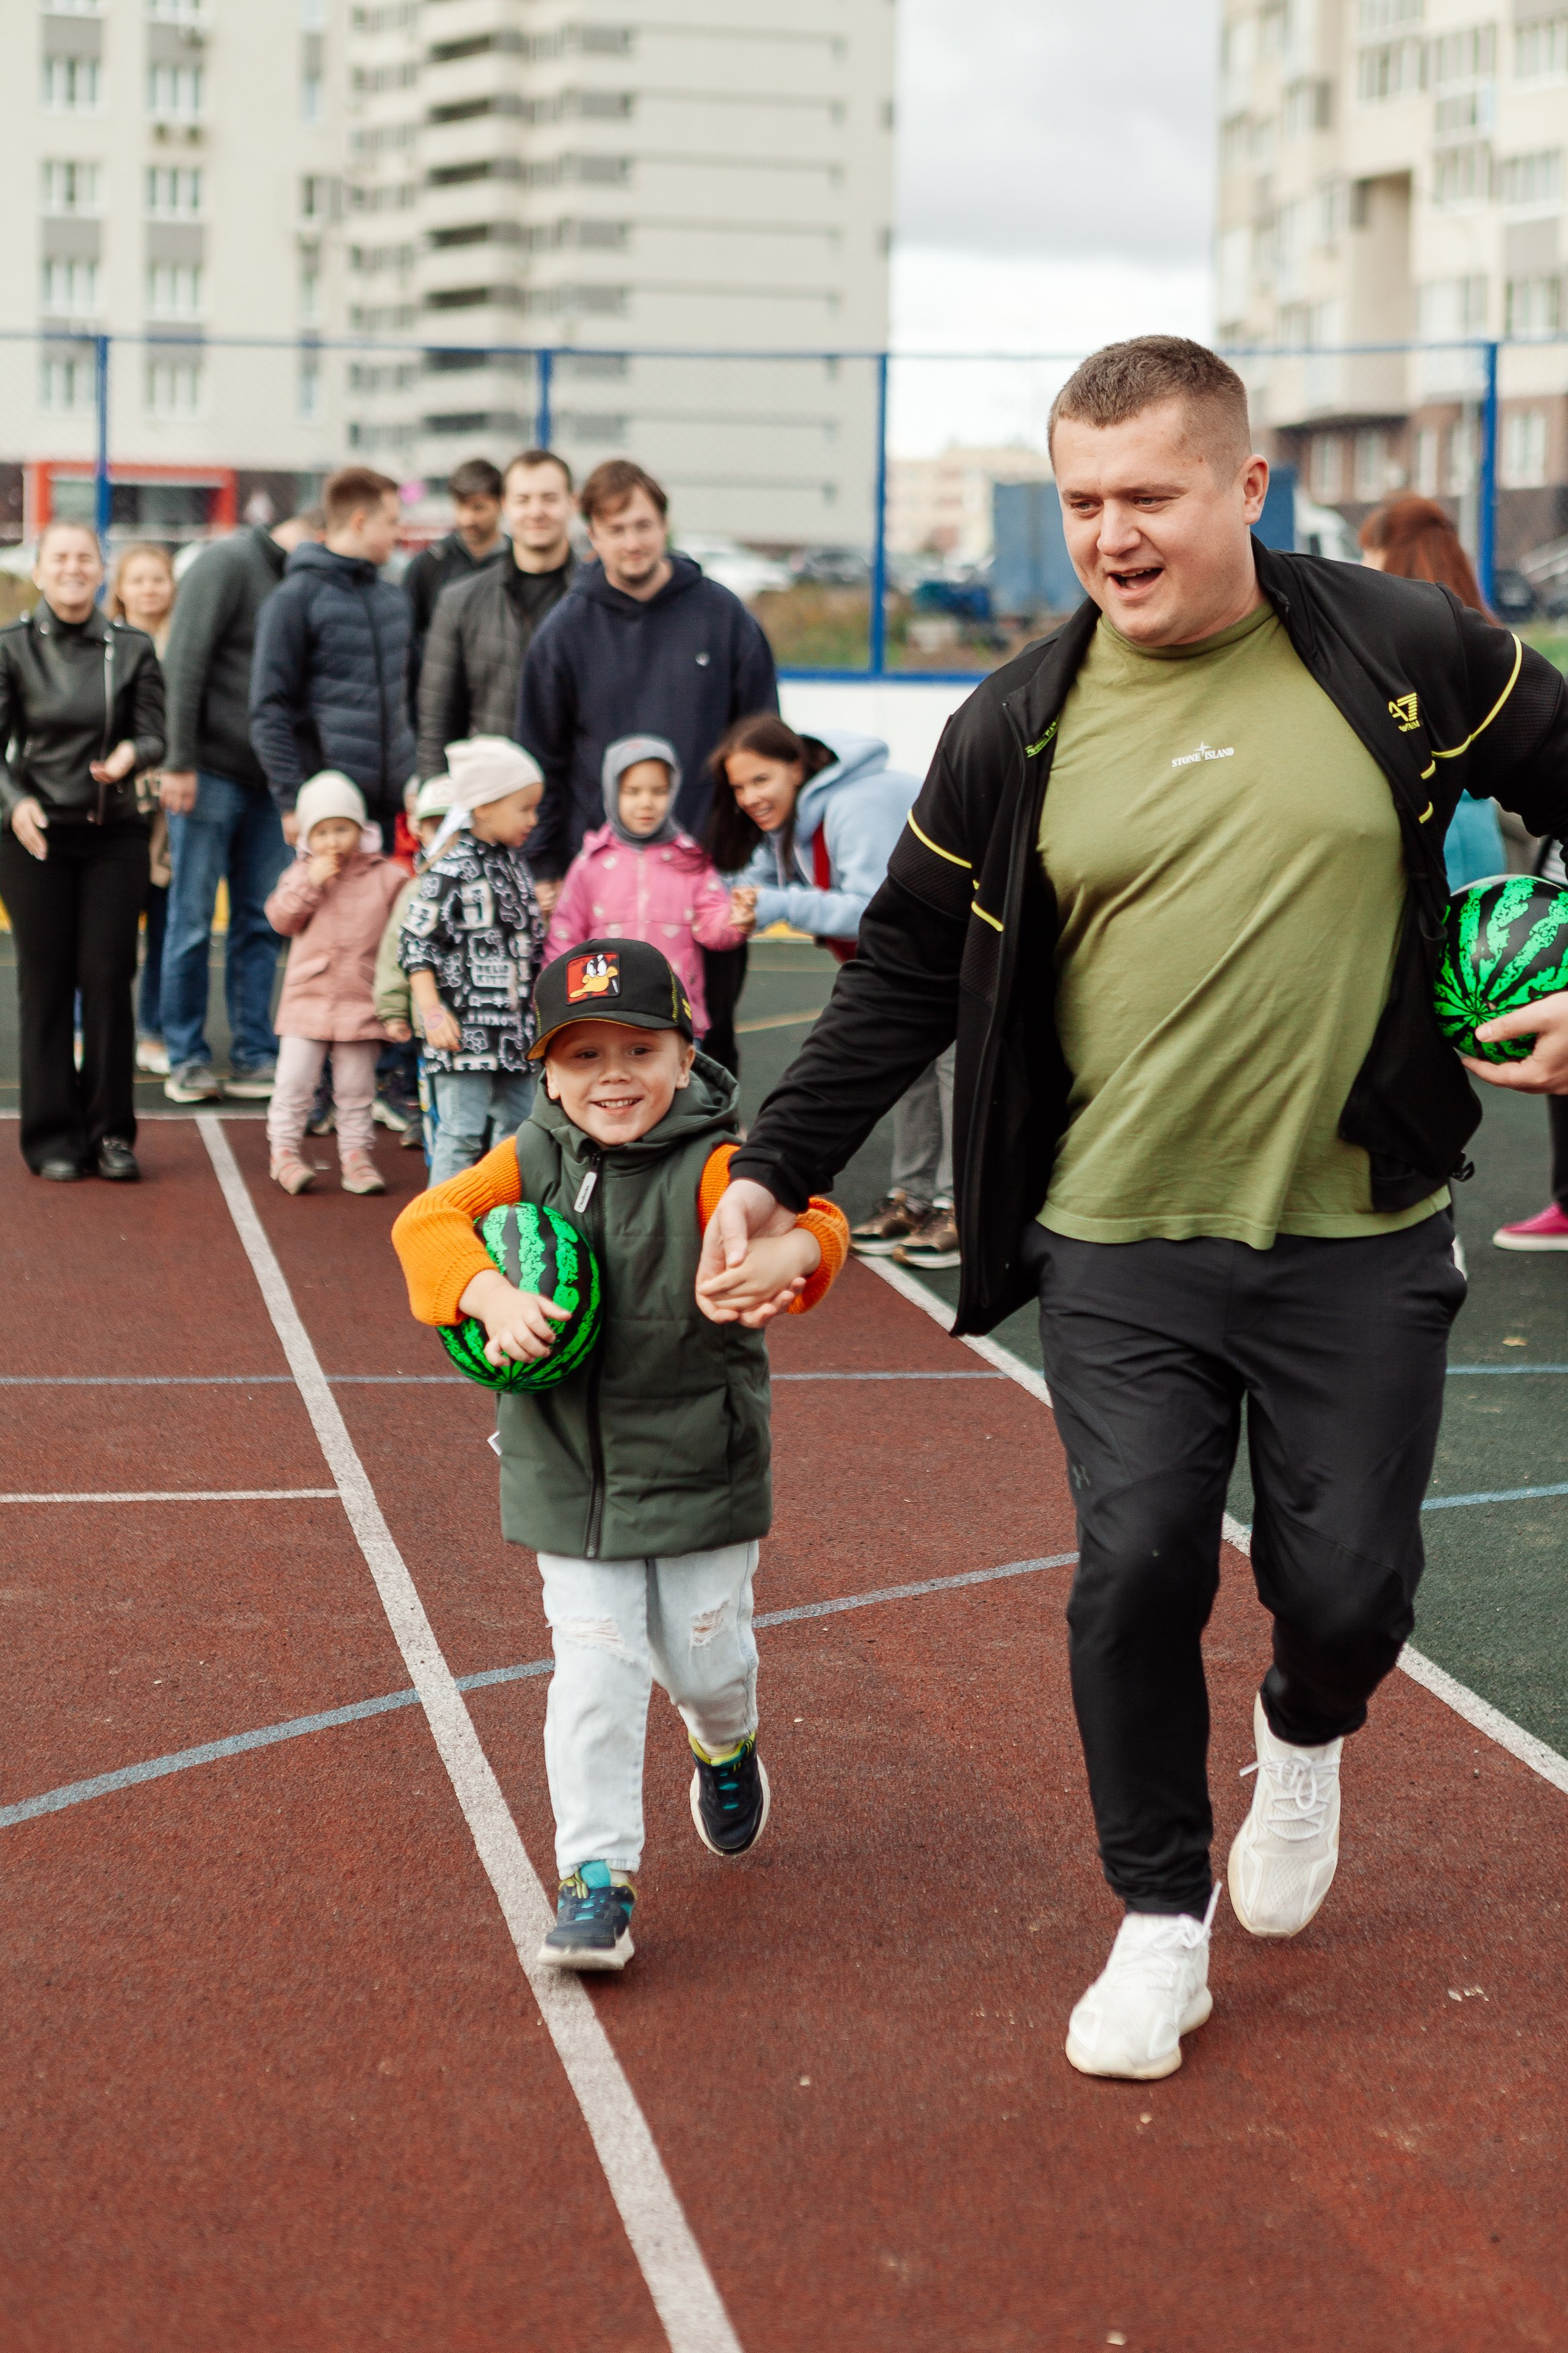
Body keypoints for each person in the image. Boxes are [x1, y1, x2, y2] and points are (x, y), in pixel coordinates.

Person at [700, 335, 1568, 2083]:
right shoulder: (1013, 722)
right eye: (1083, 501)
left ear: (1246, 487)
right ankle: (1155, 1922)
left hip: (1358, 1223)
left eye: (1147, 496)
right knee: (1135, 1564)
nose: (1111, 534)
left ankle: (1302, 1729)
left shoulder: (1397, 650)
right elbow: (900, 977)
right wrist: (775, 1169)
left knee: (1346, 1586)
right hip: (1114, 1236)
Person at [390, 936, 848, 1969]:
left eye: (637, 1050)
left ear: (685, 1057)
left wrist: (791, 1255)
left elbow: (818, 1224)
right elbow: (426, 1220)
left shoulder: (717, 1166)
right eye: (582, 1056)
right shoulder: (532, 1157)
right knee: (592, 1670)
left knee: (705, 1660)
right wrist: (487, 1293)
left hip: (697, 1463)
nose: (612, 1078)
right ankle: (594, 1877)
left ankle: (725, 1742)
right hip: (566, 1470)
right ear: (546, 1072)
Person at [517, 457, 778, 1069]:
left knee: (708, 1036)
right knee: (609, 1037)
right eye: (615, 530)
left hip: (707, 869)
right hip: (602, 877)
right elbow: (542, 759)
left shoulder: (724, 616)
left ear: (663, 525)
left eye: (642, 525)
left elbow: (760, 741)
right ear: (593, 536)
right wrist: (548, 865)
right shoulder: (563, 632)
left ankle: (715, 1154)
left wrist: (753, 856)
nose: (631, 542)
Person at [708, 713, 958, 1270]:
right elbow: (759, 882)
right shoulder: (792, 825)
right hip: (904, 972)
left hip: (955, 958)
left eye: (761, 780)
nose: (750, 797)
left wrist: (774, 907)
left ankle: (959, 1203)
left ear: (797, 768)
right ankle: (914, 1196)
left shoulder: (856, 802)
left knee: (954, 1076)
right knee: (914, 1078)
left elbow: (871, 904)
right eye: (739, 787)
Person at [0, 520, 165, 1181]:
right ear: (40, 570)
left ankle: (110, 1135)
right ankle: (50, 1136)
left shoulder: (133, 648)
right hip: (33, 836)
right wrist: (16, 804)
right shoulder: (10, 647)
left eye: (85, 558)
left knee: (105, 979)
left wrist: (131, 753)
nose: (73, 568)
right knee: (44, 983)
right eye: (60, 557)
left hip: (113, 836)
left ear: (102, 571)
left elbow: (155, 734)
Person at [157, 506, 325, 1105]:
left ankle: (255, 1053)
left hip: (271, 784)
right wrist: (177, 760)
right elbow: (184, 663)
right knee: (193, 921)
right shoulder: (226, 564)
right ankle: (185, 1055)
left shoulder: (304, 580)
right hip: (207, 774)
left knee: (260, 921)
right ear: (320, 532)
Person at [398, 735, 547, 1183]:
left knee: (519, 1135)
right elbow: (416, 942)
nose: (533, 820)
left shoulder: (516, 866)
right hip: (463, 1033)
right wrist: (432, 1012)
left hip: (515, 1032)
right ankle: (438, 1230)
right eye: (523, 808)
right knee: (461, 1133)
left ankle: (503, 1223)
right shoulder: (450, 868)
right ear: (483, 806)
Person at [544, 734, 749, 1045]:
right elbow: (565, 934)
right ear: (613, 793)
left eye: (659, 791)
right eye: (633, 792)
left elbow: (712, 925)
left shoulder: (691, 859)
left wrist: (736, 919)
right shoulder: (591, 863)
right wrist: (556, 998)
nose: (646, 802)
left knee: (679, 1092)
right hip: (604, 1014)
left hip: (673, 1014)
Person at [249, 467, 415, 848]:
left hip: (389, 812)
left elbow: (412, 694)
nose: (398, 533)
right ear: (359, 521)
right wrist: (293, 803)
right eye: (391, 522)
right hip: (328, 817)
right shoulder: (294, 600)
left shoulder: (393, 599)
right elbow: (268, 709)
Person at [262, 771, 409, 1197]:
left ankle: (357, 1157)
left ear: (361, 829)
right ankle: (285, 1153)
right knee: (294, 1082)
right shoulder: (301, 873)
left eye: (342, 829)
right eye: (322, 831)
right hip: (307, 999)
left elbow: (407, 918)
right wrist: (310, 885)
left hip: (360, 999)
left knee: (356, 1088)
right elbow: (280, 919)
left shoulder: (386, 877)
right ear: (308, 835)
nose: (332, 841)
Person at [1360, 495, 1508, 889]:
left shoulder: (1398, 645)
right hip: (1482, 845)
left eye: (1368, 553)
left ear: (1393, 558)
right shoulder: (1484, 633)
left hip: (1435, 849)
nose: (1359, 568)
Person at [415, 450, 577, 786]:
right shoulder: (460, 600)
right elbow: (437, 716)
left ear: (571, 504)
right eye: (523, 499)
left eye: (550, 498)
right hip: (490, 801)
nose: (537, 511)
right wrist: (435, 797)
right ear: (505, 505)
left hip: (576, 801)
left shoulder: (597, 602)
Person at [107, 543, 177, 1079]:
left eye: (159, 579)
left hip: (172, 804)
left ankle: (153, 1030)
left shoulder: (186, 644)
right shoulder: (103, 645)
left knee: (165, 924)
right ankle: (92, 1027)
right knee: (107, 929)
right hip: (118, 799)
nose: (150, 589)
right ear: (121, 589)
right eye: (139, 580)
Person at [374, 774, 454, 1156]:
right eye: (435, 826)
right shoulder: (415, 891)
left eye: (453, 825)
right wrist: (392, 1008)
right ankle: (433, 1141)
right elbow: (395, 953)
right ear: (418, 830)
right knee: (435, 1093)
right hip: (431, 1025)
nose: (445, 835)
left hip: (481, 1023)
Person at [403, 456, 506, 709]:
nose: (467, 519)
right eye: (460, 507)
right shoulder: (428, 566)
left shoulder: (519, 564)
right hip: (440, 700)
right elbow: (409, 642)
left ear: (501, 504)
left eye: (479, 508)